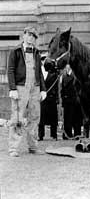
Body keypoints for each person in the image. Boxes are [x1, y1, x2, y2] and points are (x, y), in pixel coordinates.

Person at [7, 26, 47, 157]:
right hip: (20, 87)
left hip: (34, 88)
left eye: (34, 36)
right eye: (29, 35)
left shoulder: (36, 52)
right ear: (24, 35)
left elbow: (39, 72)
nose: (31, 38)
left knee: (35, 117)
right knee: (17, 117)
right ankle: (13, 148)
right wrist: (13, 88)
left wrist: (43, 89)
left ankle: (33, 146)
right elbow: (11, 70)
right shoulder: (16, 51)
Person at [38, 52, 59, 141]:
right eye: (42, 59)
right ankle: (40, 135)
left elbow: (57, 87)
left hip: (51, 97)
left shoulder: (53, 72)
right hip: (42, 98)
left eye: (45, 59)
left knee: (53, 117)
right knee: (41, 118)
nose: (43, 61)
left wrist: (57, 98)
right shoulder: (38, 72)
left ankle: (54, 135)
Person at [61, 65, 82, 139]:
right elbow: (63, 89)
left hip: (75, 100)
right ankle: (67, 134)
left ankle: (77, 134)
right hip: (67, 100)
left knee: (76, 119)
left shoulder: (76, 75)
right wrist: (63, 98)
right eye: (66, 67)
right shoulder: (64, 76)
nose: (67, 68)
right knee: (67, 118)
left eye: (68, 67)